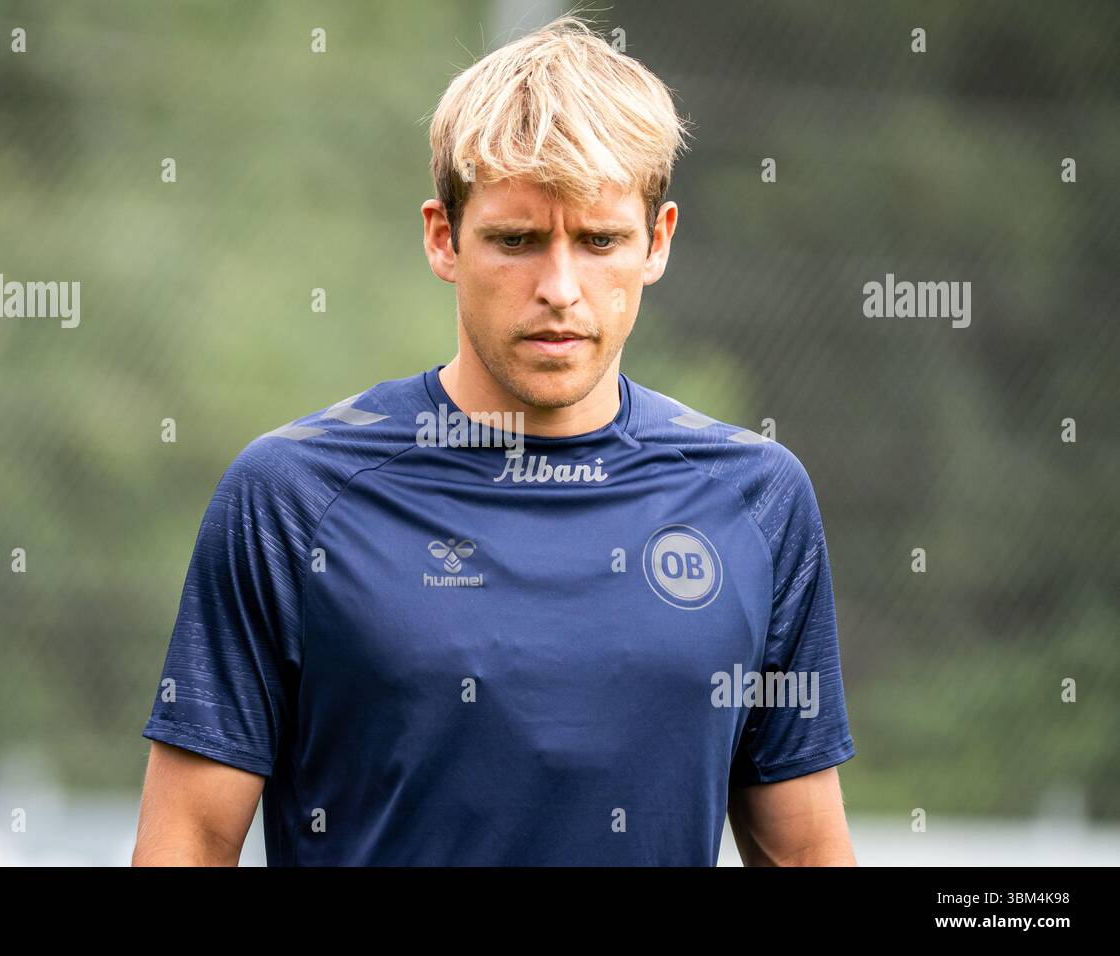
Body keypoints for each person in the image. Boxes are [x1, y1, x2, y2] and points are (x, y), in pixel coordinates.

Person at [133, 14, 855, 866]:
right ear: (444, 238)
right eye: (516, 240)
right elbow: (188, 840)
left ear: (656, 243)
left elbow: (807, 855)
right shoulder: (290, 497)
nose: (559, 287)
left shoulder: (757, 500)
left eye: (599, 241)